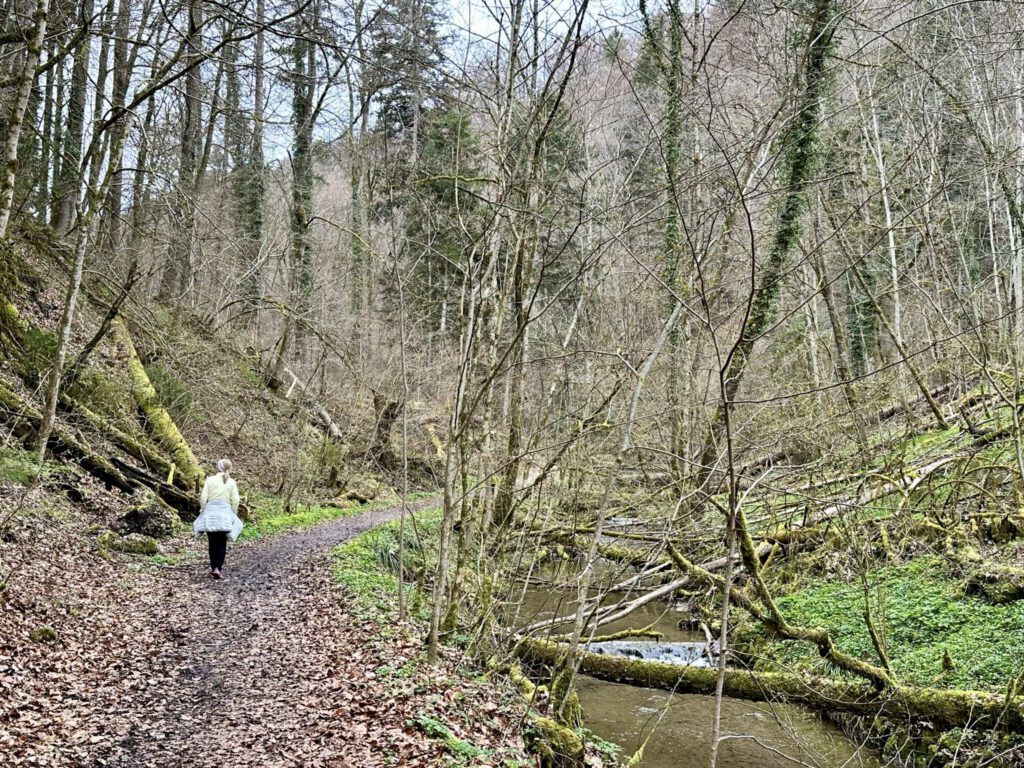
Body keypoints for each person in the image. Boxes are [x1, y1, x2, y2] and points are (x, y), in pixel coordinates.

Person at [192, 458, 243, 579]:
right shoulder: (231, 482)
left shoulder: (210, 480)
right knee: (222, 543)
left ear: (218, 467)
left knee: (212, 542)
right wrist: (233, 513)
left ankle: (213, 567)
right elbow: (236, 500)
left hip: (211, 513)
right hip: (225, 514)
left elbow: (203, 497)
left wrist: (203, 510)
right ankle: (217, 569)